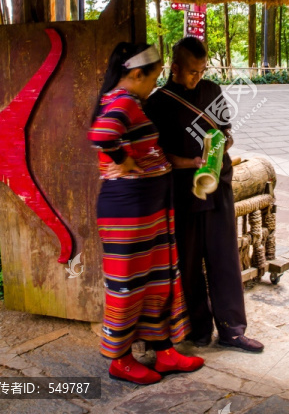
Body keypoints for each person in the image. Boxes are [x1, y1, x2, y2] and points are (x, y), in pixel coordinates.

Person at [87, 42, 204, 385]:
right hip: (128, 213)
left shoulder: (130, 101)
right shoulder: (122, 101)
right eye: (153, 78)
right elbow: (103, 135)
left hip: (149, 210)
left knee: (157, 281)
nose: (155, 84)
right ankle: (119, 360)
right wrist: (123, 161)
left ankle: (163, 350)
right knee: (128, 286)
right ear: (137, 74)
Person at [145, 36, 264, 353]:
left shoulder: (212, 90)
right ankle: (199, 328)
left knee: (224, 258)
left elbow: (227, 134)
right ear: (175, 69)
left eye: (202, 70)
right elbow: (157, 155)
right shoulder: (157, 104)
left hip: (219, 186)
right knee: (189, 261)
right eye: (192, 72)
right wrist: (191, 163)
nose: (198, 77)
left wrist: (218, 148)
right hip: (185, 192)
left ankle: (232, 330)